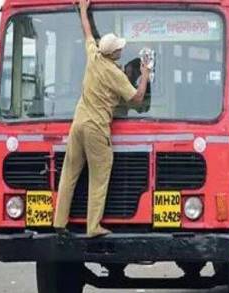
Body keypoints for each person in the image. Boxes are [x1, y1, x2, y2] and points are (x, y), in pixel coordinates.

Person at [53, 0, 150, 238]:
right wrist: (145, 74)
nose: (121, 50)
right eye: (119, 48)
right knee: (99, 175)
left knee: (69, 173)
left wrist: (84, 10)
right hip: (97, 128)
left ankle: (59, 222)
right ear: (115, 53)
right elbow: (137, 99)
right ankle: (93, 226)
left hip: (78, 123)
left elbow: (87, 31)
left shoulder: (93, 56)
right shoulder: (115, 74)